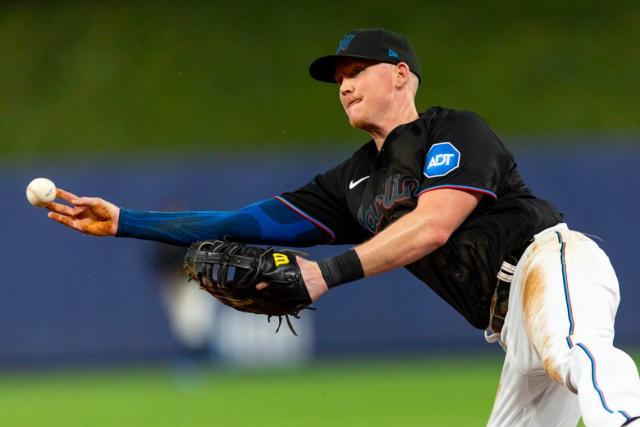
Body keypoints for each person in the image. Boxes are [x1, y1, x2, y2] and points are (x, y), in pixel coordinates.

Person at [45, 28, 639, 426]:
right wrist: (127, 220)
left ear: (401, 76)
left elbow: (432, 226)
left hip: (550, 264)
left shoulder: (454, 130)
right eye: (339, 79)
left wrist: (325, 273)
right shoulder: (349, 184)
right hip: (508, 328)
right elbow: (240, 222)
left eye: (358, 70)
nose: (345, 85)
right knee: (557, 359)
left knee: (578, 353)